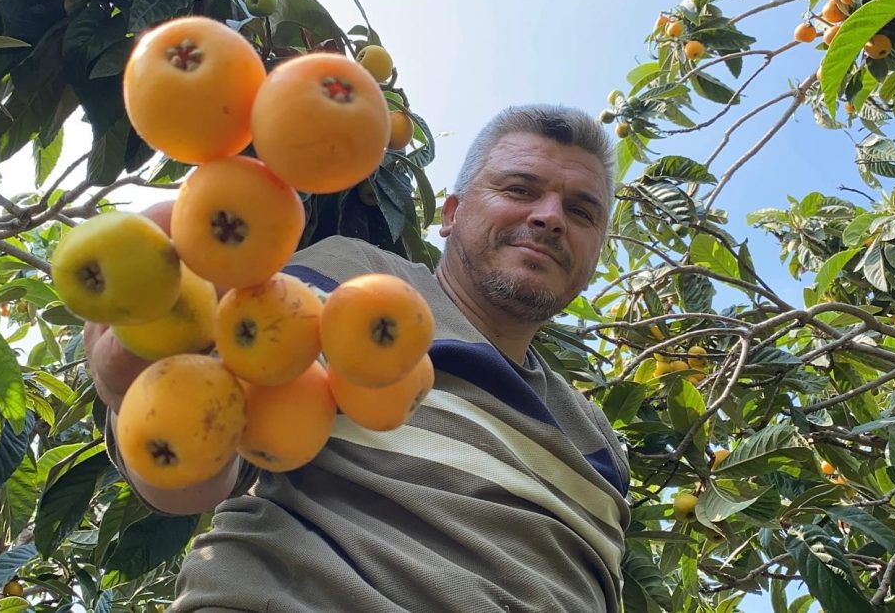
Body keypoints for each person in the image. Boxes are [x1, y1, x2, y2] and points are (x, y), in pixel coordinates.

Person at [84, 104, 631, 612]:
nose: (550, 217)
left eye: (582, 212)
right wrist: (147, 368)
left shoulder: (597, 437)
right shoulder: (358, 279)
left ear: (596, 250)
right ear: (452, 213)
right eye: (519, 188)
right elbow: (195, 469)